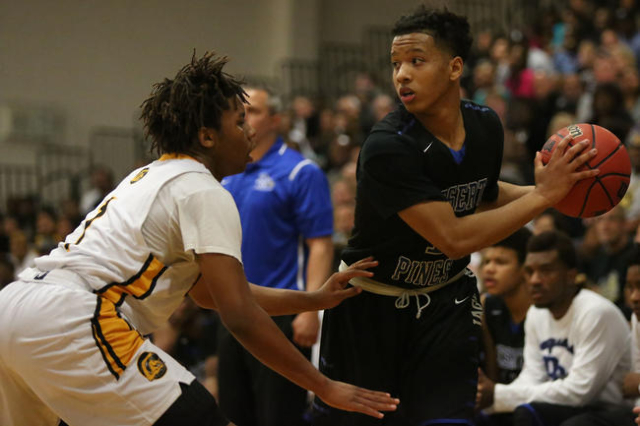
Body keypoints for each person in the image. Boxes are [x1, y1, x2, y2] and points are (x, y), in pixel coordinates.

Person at [0, 51, 399, 426]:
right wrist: (323, 385)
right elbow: (239, 315)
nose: (250, 132)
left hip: (14, 307)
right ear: (207, 137)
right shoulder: (202, 189)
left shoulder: (149, 176)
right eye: (240, 122)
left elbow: (212, 294)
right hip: (74, 317)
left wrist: (312, 300)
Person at [311, 6, 598, 426]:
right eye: (395, 65)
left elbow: (484, 195)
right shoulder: (387, 146)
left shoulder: (485, 126)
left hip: (447, 301)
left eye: (416, 61)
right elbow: (455, 237)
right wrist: (542, 198)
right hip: (371, 308)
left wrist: (555, 191)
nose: (401, 75)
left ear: (454, 67)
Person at [217, 86, 334, 426]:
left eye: (251, 111)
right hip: (232, 310)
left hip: (280, 314)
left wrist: (309, 310)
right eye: (239, 113)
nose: (243, 119)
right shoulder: (227, 172)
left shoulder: (301, 172)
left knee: (278, 417)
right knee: (233, 416)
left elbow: (321, 245)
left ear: (275, 120)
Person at [476, 231, 634, 426]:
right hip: (565, 406)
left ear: (570, 276)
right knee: (486, 418)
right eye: (530, 271)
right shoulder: (536, 313)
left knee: (542, 418)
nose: (534, 280)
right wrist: (493, 400)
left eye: (545, 271)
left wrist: (499, 394)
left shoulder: (595, 313)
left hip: (611, 411)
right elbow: (532, 376)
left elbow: (580, 391)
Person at [477, 228, 532, 426]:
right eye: (486, 261)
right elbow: (494, 374)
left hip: (533, 404)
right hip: (502, 403)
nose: (489, 269)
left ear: (526, 269)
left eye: (500, 262)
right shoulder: (486, 306)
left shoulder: (542, 309)